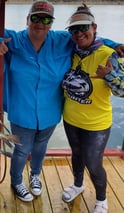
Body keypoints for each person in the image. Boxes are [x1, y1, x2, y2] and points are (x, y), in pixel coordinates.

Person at [0, 0, 124, 202]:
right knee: (21, 149)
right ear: (28, 19)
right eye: (35, 17)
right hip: (21, 110)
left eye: (46, 19)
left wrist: (115, 46)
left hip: (50, 111)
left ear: (51, 23)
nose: (40, 23)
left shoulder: (63, 40)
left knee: (40, 146)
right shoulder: (13, 40)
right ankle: (16, 181)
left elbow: (90, 39)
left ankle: (35, 176)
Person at [61, 4, 124, 213]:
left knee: (93, 163)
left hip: (96, 124)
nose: (79, 34)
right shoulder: (71, 52)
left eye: (84, 28)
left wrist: (109, 75)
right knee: (76, 155)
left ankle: (102, 199)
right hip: (71, 119)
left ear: (94, 27)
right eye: (74, 30)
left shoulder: (109, 54)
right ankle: (78, 185)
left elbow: (122, 91)